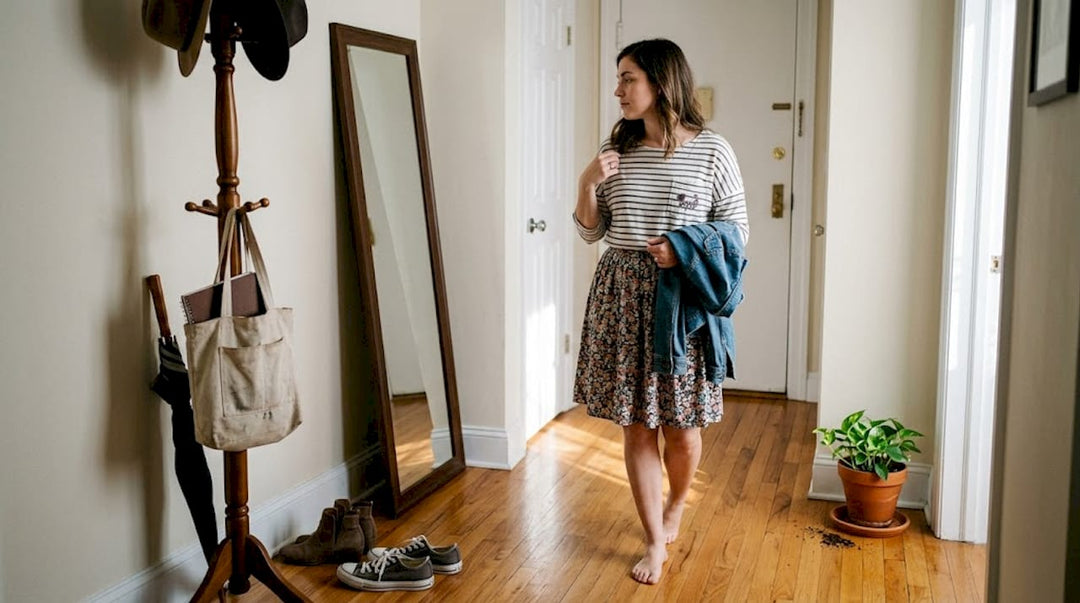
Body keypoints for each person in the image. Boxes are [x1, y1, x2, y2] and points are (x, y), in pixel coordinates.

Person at [572, 38, 749, 585]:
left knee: (683, 427)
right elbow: (590, 231)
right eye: (618, 78)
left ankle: (676, 505)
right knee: (635, 427)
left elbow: (738, 234)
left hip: (681, 301)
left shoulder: (713, 151)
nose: (618, 89)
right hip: (621, 294)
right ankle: (654, 541)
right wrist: (588, 183)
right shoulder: (614, 150)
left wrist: (684, 248)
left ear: (661, 82)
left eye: (628, 78)